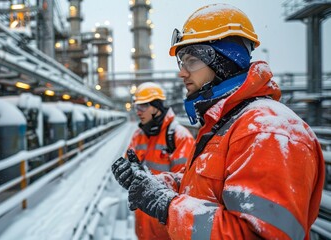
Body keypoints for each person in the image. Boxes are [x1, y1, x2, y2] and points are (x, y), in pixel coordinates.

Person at [112, 3, 325, 239]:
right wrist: (151, 184)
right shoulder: (224, 124)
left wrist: (167, 207)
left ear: (223, 62)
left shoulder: (267, 131)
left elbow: (256, 235)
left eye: (191, 61)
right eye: (182, 62)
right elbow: (202, 190)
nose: (182, 72)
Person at [113, 82, 195, 240]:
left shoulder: (179, 137)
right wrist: (128, 174)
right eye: (137, 107)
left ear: (156, 106)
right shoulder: (139, 134)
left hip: (168, 228)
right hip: (143, 223)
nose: (138, 112)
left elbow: (188, 187)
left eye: (143, 106)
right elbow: (129, 164)